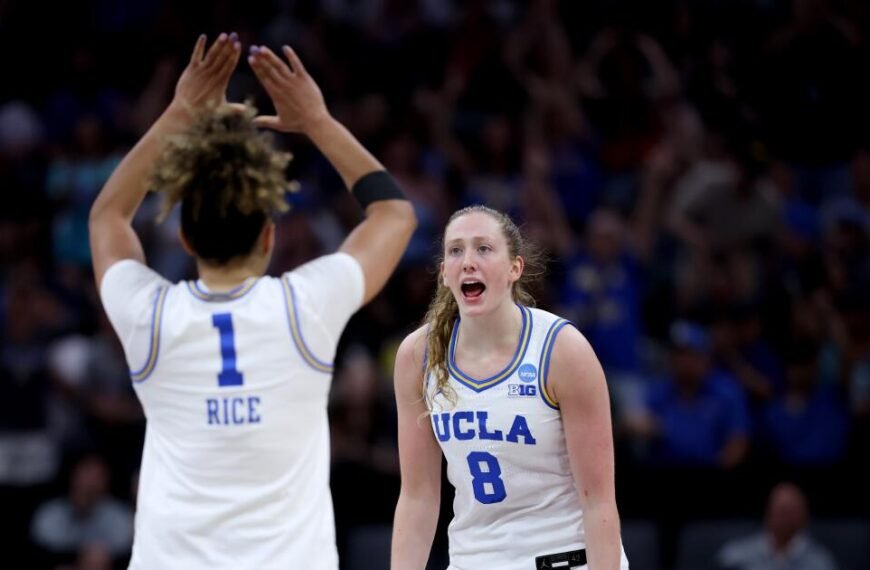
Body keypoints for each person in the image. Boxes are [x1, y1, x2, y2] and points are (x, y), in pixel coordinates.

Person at [88, 32, 416, 569]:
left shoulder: (150, 316)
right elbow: (394, 213)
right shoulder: (305, 307)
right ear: (270, 235)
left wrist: (179, 112)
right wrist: (316, 121)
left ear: (185, 240)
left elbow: (108, 215)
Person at [391, 205, 628, 569]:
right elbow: (418, 497)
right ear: (444, 274)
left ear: (514, 268)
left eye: (483, 248)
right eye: (456, 250)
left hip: (562, 558)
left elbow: (598, 501)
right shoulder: (418, 356)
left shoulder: (562, 351)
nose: (468, 261)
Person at [716, 482, 839, 570]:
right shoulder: (736, 556)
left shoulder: (820, 561)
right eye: (780, 511)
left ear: (805, 517)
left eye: (790, 511)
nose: (784, 519)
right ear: (768, 513)